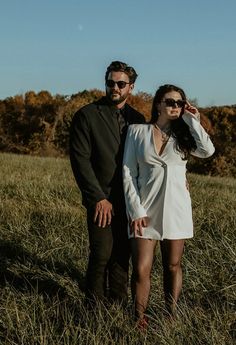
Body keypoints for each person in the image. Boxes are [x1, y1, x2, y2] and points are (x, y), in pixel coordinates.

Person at [123, 84, 215, 327]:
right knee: (142, 268)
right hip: (144, 209)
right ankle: (138, 319)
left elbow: (208, 151)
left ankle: (169, 315)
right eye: (170, 102)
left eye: (179, 103)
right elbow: (128, 172)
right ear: (158, 104)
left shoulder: (185, 135)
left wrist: (193, 120)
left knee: (173, 265)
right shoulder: (137, 131)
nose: (175, 106)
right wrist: (135, 210)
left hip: (176, 209)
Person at [69, 61, 145, 305]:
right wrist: (97, 198)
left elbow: (150, 158)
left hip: (131, 198)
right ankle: (93, 306)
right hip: (100, 197)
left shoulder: (139, 119)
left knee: (122, 256)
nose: (115, 87)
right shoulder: (87, 115)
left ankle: (118, 304)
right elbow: (80, 161)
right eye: (110, 82)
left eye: (121, 84)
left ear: (130, 87)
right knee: (101, 253)